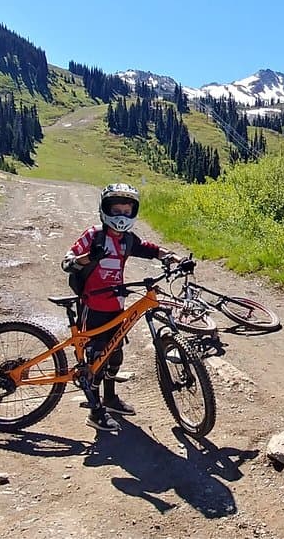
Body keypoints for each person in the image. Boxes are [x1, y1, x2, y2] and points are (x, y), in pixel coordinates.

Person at [62, 183, 179, 432]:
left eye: (127, 211)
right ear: (105, 210)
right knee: (95, 360)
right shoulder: (94, 235)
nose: (122, 216)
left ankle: (110, 399)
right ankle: (95, 412)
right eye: (117, 210)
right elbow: (67, 262)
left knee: (115, 354)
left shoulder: (126, 240)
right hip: (92, 306)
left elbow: (149, 249)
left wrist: (173, 258)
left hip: (117, 305)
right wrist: (89, 257)